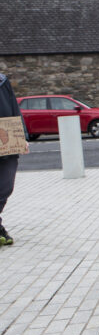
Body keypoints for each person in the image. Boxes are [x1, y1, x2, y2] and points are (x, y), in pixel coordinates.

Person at [0, 73, 30, 245]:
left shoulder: (3, 82)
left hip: (7, 143)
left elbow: (14, 109)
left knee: (5, 187)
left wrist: (22, 137)